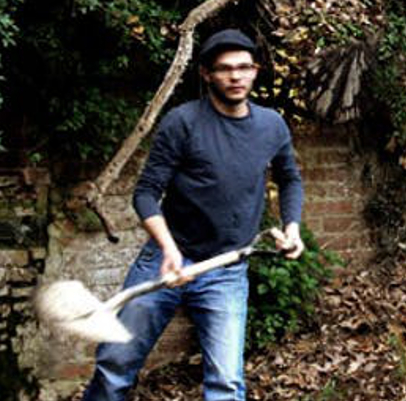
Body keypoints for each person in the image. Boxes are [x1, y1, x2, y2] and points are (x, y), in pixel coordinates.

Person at [83, 29, 305, 401]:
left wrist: (292, 227)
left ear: (256, 70)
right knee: (114, 367)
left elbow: (289, 179)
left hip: (226, 269)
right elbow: (146, 194)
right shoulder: (182, 122)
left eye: (244, 67)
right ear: (206, 74)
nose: (235, 76)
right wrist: (168, 249)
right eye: (224, 69)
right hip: (165, 258)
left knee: (226, 385)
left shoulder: (272, 125)